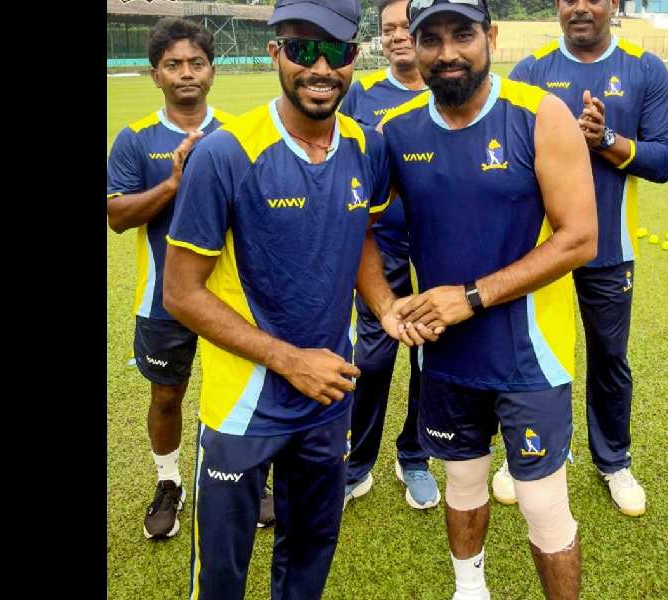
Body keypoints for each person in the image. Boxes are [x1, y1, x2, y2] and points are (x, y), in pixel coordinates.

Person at [162, 1, 419, 597]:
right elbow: (181, 292)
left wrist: (383, 305)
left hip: (328, 396)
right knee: (222, 574)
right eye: (303, 49)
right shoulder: (224, 155)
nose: (321, 67)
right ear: (276, 53)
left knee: (308, 555)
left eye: (337, 51)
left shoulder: (364, 146)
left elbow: (361, 238)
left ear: (356, 60)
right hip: (245, 407)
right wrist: (288, 360)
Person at [377, 1, 597, 598]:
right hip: (445, 357)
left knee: (543, 503)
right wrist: (383, 305)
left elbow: (578, 238)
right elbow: (360, 225)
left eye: (462, 35)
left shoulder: (539, 116)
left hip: (530, 358)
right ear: (413, 46)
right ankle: (468, 588)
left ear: (490, 37)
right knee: (464, 484)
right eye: (431, 39)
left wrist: (470, 298)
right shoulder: (395, 133)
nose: (447, 52)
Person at [498, 0, 668, 516]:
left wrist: (605, 139)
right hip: (542, 250)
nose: (579, 6)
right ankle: (522, 454)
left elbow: (665, 159)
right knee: (530, 357)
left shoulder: (645, 68)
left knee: (608, 359)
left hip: (608, 251)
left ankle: (614, 460)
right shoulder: (532, 71)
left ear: (613, 5)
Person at [105, 17, 274, 540]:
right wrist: (178, 182)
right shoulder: (135, 140)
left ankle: (253, 478)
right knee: (166, 396)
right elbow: (117, 215)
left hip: (231, 298)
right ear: (155, 74)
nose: (186, 73)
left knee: (247, 393)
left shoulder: (239, 135)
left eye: (196, 63)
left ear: (212, 71)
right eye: (173, 65)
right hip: (163, 301)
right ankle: (169, 482)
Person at [338, 0, 440, 511]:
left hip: (442, 248)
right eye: (389, 29)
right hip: (382, 248)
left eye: (408, 26)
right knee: (374, 361)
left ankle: (414, 456)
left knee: (429, 357)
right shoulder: (362, 94)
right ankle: (356, 464)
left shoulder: (449, 90)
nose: (399, 36)